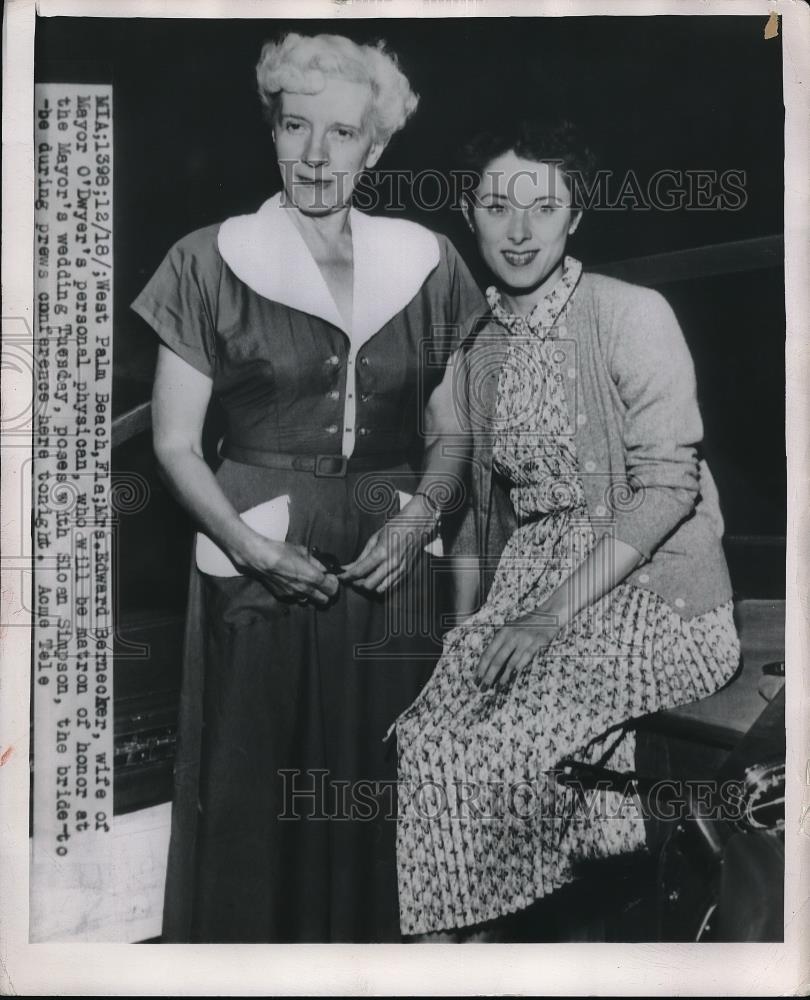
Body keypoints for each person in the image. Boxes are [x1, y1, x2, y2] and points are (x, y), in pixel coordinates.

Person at [131, 32, 483, 943]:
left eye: (341, 133)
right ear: (274, 131)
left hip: (388, 551)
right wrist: (251, 548)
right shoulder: (208, 259)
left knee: (382, 784)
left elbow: (454, 429)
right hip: (254, 539)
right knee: (252, 789)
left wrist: (417, 519)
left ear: (377, 146)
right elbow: (173, 443)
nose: (316, 156)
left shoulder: (428, 260)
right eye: (296, 128)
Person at [392, 118, 741, 940]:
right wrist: (466, 632)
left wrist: (550, 616)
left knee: (500, 747)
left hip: (656, 596)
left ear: (576, 216)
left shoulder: (632, 313)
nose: (519, 231)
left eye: (544, 208)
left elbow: (666, 490)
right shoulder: (475, 348)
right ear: (469, 215)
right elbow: (478, 515)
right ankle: (459, 948)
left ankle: (487, 940)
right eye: (497, 206)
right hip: (530, 586)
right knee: (425, 737)